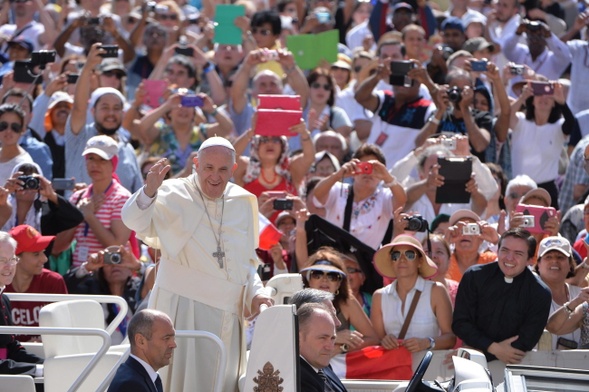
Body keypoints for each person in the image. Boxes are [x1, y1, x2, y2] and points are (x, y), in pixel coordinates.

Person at [121, 137, 273, 391]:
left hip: (228, 316)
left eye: (223, 169)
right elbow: (133, 220)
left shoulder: (243, 202)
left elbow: (246, 262)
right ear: (196, 164)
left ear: (233, 169)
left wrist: (256, 293)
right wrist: (149, 191)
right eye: (208, 168)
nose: (215, 176)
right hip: (182, 311)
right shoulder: (172, 192)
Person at [452, 228, 552, 363]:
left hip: (514, 365)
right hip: (472, 362)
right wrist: (492, 348)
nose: (509, 258)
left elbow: (528, 339)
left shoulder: (540, 292)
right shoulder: (474, 277)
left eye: (518, 253)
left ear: (530, 259)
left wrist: (486, 351)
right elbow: (460, 323)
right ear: (497, 251)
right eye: (505, 250)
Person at [372, 235, 455, 363]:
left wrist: (427, 343)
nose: (402, 259)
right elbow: (376, 340)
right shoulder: (379, 296)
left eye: (410, 255)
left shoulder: (436, 291)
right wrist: (384, 341)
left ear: (420, 261)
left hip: (427, 372)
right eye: (396, 255)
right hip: (392, 371)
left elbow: (450, 338)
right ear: (391, 261)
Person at [67, 135, 132, 269]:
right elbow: (58, 247)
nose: (95, 164)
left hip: (108, 278)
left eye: (102, 160)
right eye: (91, 158)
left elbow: (116, 247)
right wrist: (77, 216)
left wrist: (89, 216)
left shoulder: (122, 198)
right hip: (80, 274)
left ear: (113, 164)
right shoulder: (77, 197)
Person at [4, 225, 67, 342]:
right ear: (15, 258)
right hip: (9, 356)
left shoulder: (53, 281)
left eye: (43, 252)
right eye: (36, 254)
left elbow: (65, 329)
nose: (45, 259)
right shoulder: (1, 284)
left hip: (47, 355)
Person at [0, 231, 44, 376]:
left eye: (12, 259)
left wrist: (46, 365)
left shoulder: (3, 298)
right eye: (1, 260)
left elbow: (11, 347)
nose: (9, 266)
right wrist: (37, 370)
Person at [108, 309, 177, 392]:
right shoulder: (131, 385)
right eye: (166, 338)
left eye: (173, 338)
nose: (173, 344)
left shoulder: (139, 376)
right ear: (141, 341)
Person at [534, 236, 583, 349]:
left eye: (560, 257)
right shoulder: (528, 293)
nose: (554, 261)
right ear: (539, 264)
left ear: (570, 264)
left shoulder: (581, 295)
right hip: (534, 365)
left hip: (578, 364)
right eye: (548, 257)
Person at [297, 303, 348, 392]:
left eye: (332, 338)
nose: (330, 347)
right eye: (322, 338)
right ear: (298, 337)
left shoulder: (322, 367)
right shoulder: (298, 377)